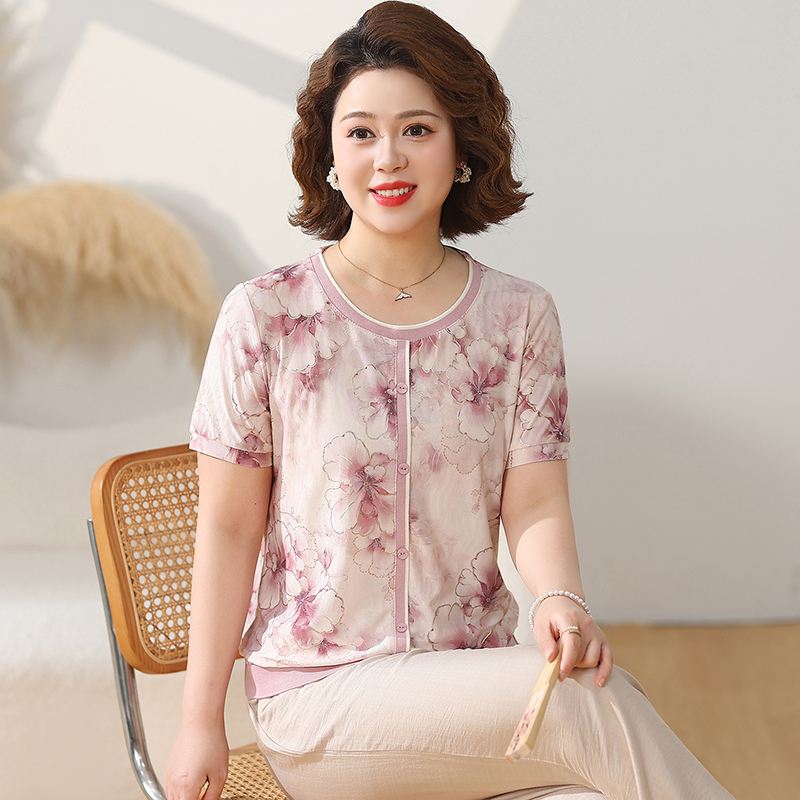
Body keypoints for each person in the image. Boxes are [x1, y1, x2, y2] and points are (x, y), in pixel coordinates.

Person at [166, 4, 735, 799]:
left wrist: (560, 600)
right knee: (584, 704)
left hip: (477, 685)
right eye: (361, 132)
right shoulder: (266, 316)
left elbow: (535, 499)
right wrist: (199, 722)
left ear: (462, 146)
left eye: (417, 130)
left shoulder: (519, 316)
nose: (388, 158)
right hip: (324, 700)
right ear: (329, 154)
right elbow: (229, 528)